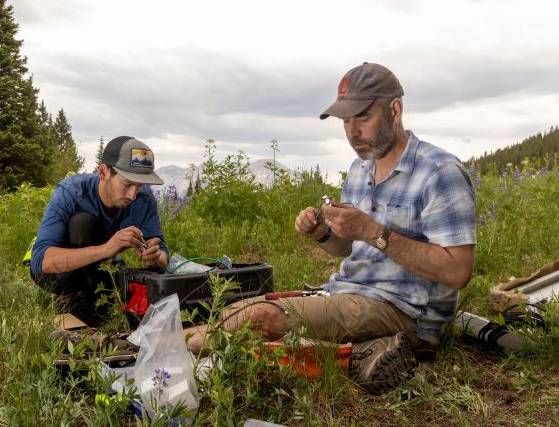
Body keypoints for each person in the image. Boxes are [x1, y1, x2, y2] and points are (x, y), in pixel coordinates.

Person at [186, 62, 477, 395]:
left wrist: (373, 232)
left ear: (395, 110)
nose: (352, 132)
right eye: (345, 121)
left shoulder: (440, 172)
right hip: (349, 294)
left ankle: (148, 352)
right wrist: (322, 234)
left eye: (363, 118)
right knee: (235, 309)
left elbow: (457, 271)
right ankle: (366, 354)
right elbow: (346, 248)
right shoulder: (359, 169)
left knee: (256, 318)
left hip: (408, 313)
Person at [30, 136, 170, 326]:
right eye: (127, 184)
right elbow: (40, 262)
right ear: (104, 172)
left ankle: (94, 303)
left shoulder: (144, 199)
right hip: (56, 273)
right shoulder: (71, 191)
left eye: (140, 186)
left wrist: (154, 257)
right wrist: (107, 248)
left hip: (102, 269)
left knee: (125, 290)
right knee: (82, 222)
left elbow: (163, 256)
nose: (133, 195)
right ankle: (71, 300)